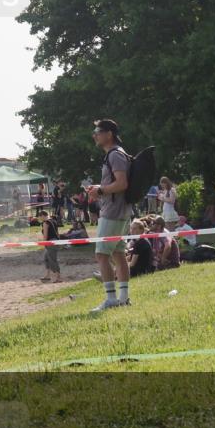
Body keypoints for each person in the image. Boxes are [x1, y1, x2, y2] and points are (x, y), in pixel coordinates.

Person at [87, 119, 132, 311]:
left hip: (113, 212)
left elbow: (122, 184)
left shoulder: (115, 155)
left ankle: (112, 299)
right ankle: (123, 297)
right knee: (118, 253)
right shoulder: (116, 155)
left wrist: (101, 190)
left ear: (109, 134)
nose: (94, 135)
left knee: (101, 255)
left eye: (98, 131)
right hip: (119, 211)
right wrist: (99, 190)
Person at [38, 210, 62, 283]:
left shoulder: (45, 223)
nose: (40, 218)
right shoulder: (53, 221)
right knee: (46, 258)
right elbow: (57, 233)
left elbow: (45, 235)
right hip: (55, 241)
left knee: (52, 260)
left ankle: (58, 277)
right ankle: (48, 275)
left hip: (50, 242)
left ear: (42, 215)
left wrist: (44, 243)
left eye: (40, 217)